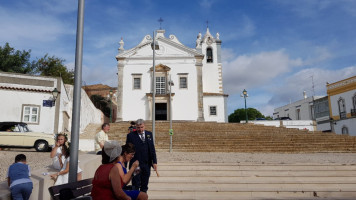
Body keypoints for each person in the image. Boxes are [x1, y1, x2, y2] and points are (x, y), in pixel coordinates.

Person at [126, 119, 157, 192]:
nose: (140, 129)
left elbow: (152, 149)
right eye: (138, 128)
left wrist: (154, 162)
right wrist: (124, 163)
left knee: (144, 185)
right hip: (136, 165)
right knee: (136, 184)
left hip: (146, 165)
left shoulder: (149, 134)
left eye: (142, 127)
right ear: (136, 127)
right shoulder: (131, 136)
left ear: (144, 126)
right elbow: (127, 150)